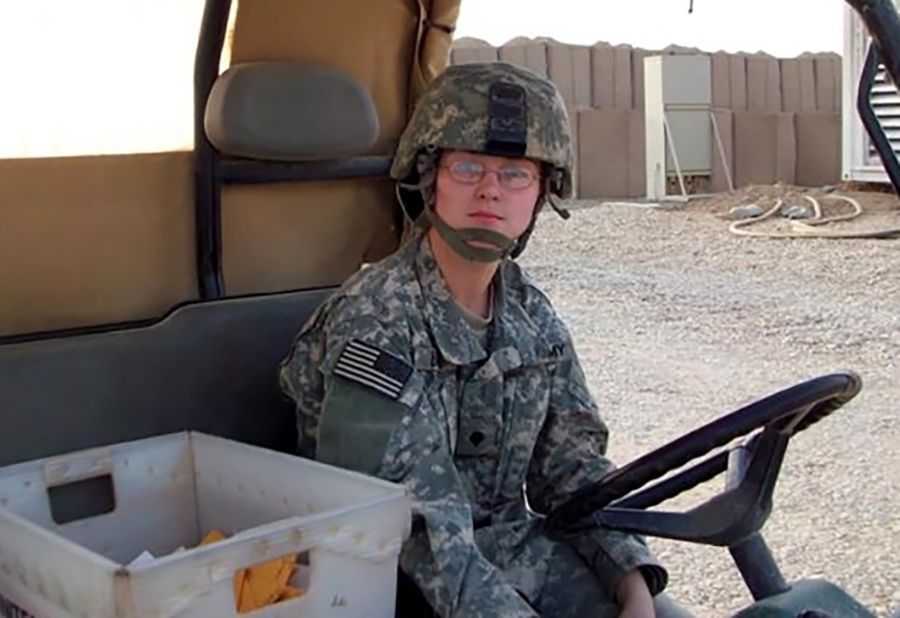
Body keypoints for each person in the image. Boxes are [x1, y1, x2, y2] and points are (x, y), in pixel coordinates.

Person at [280, 62, 682, 617]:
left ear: (542, 193)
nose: (491, 189)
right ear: (430, 178)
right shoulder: (376, 317)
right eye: (467, 166)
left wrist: (630, 578)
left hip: (507, 559)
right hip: (382, 585)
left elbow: (573, 469)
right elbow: (412, 524)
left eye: (515, 173)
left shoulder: (530, 314)